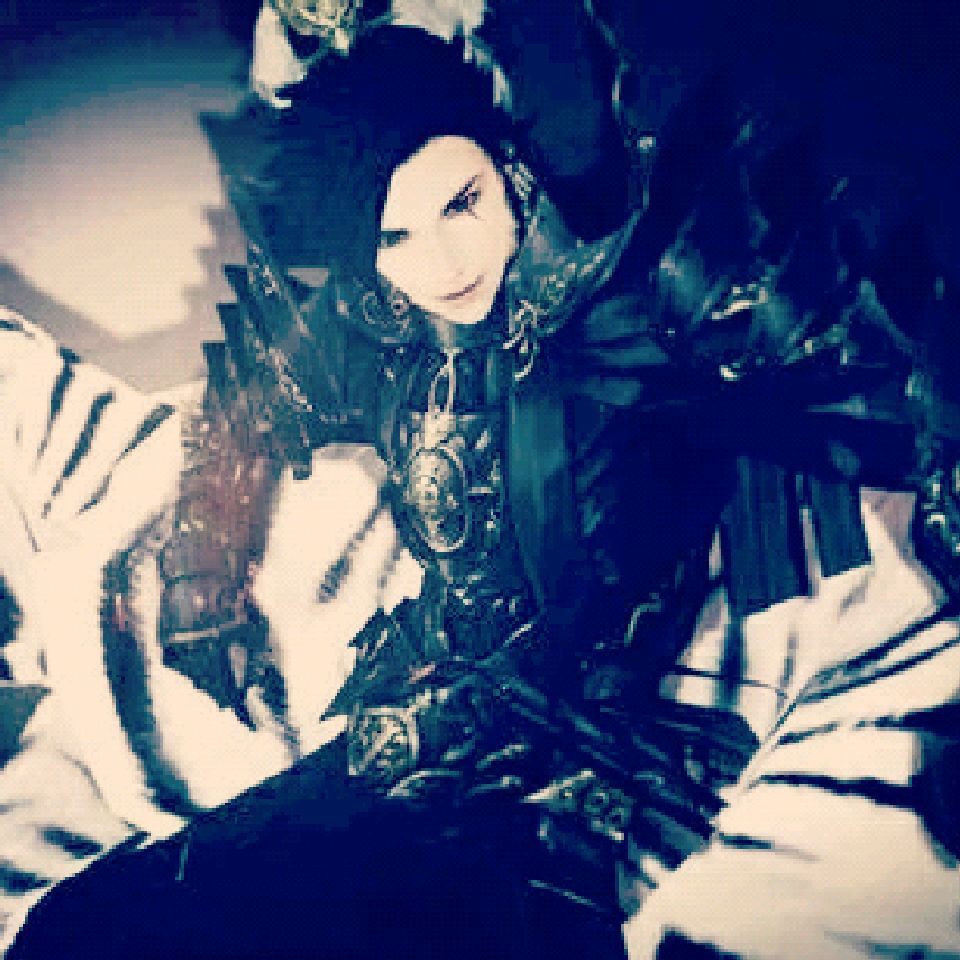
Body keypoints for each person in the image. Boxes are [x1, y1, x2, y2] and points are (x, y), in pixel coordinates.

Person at [4, 22, 959, 960]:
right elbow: (248, 403)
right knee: (93, 926)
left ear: (508, 170)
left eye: (461, 203)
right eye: (395, 235)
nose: (444, 263)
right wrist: (202, 589)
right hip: (426, 707)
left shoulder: (633, 294)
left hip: (600, 738)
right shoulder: (376, 320)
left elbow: (856, 385)